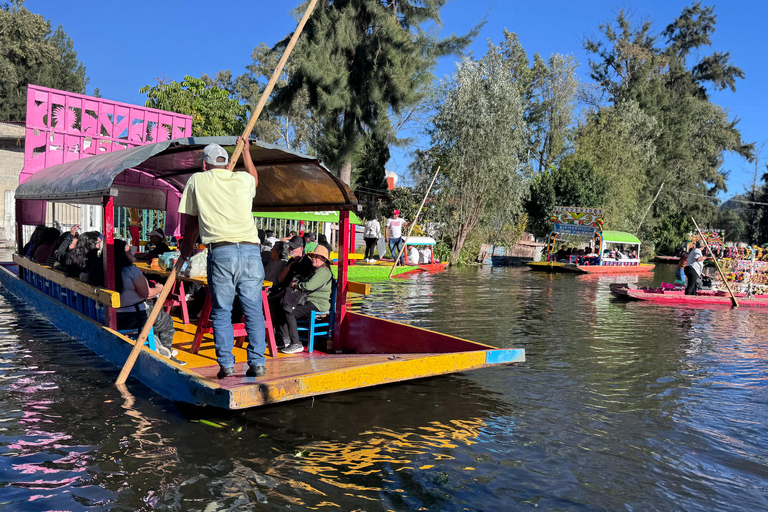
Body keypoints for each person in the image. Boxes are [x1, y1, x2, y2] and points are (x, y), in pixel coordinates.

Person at [179, 138, 266, 379]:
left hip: (222, 251)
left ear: (204, 166)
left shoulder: (197, 180)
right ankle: (257, 363)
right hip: (250, 251)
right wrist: (247, 153)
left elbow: (190, 220)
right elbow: (254, 179)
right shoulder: (242, 179)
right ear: (227, 165)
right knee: (253, 311)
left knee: (221, 311)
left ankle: (227, 365)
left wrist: (186, 247)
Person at [111, 240, 182, 364]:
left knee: (155, 311)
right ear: (121, 255)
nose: (131, 254)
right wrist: (159, 288)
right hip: (134, 317)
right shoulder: (130, 271)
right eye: (128, 252)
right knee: (167, 321)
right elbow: (146, 294)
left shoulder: (103, 270)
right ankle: (167, 354)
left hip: (112, 316)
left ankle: (156, 342)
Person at [275, 244, 334, 354]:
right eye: (313, 256)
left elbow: (309, 286)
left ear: (324, 259)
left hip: (317, 303)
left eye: (317, 257)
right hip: (309, 301)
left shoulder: (323, 272)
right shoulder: (316, 270)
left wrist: (297, 285)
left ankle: (296, 343)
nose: (314, 259)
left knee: (290, 312)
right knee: (281, 308)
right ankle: (285, 339)